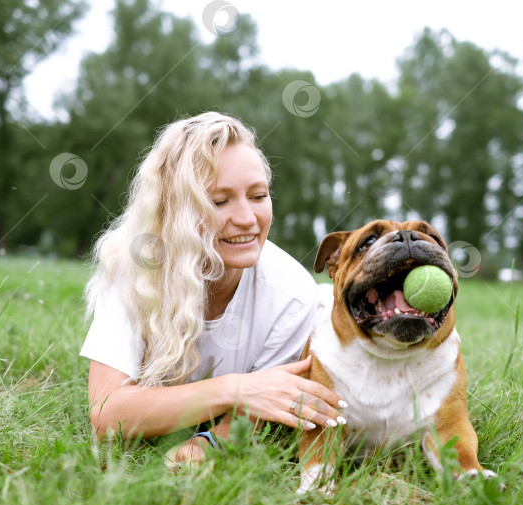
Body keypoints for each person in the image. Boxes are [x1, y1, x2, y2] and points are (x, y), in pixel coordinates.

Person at [81, 111, 346, 466]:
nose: (248, 219)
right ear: (176, 210)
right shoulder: (134, 266)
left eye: (258, 195)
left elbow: (256, 414)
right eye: (220, 201)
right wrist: (235, 389)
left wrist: (205, 444)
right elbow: (106, 414)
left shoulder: (294, 295)